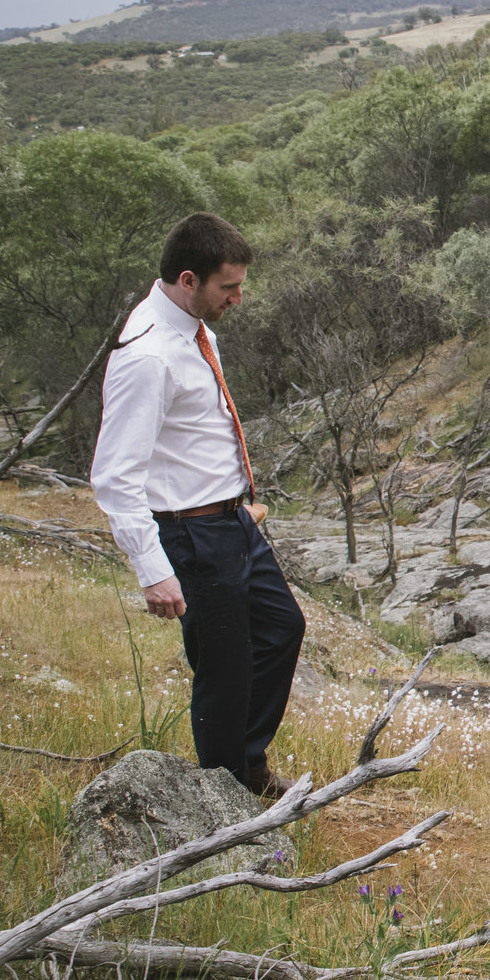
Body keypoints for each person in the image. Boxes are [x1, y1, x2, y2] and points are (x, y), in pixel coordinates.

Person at [91, 213, 305, 797]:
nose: (238, 298)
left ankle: (245, 764)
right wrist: (152, 570)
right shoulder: (148, 356)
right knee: (224, 672)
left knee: (283, 629)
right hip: (191, 534)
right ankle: (223, 803)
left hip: (232, 521)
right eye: (227, 287)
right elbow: (113, 476)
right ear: (189, 279)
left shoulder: (193, 325)